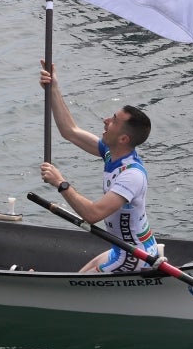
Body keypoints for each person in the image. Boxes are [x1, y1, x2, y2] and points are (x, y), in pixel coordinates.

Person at [37, 60, 158, 274]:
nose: (105, 120)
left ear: (123, 138)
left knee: (72, 288)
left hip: (134, 255)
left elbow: (92, 215)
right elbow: (70, 131)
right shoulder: (112, 153)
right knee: (79, 275)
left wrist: (60, 183)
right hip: (122, 249)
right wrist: (54, 87)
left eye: (113, 120)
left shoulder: (131, 176)